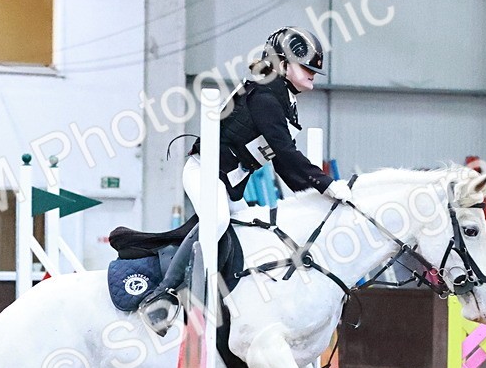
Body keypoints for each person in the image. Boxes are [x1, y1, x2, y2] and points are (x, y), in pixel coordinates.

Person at [139, 26, 354, 335]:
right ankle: (164, 296)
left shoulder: (283, 100)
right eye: (305, 66)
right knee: (217, 221)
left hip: (229, 183)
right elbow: (285, 152)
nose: (312, 74)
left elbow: (283, 165)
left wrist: (315, 199)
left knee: (252, 229)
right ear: (282, 64)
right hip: (204, 171)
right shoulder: (264, 96)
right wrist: (327, 184)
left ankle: (233, 300)